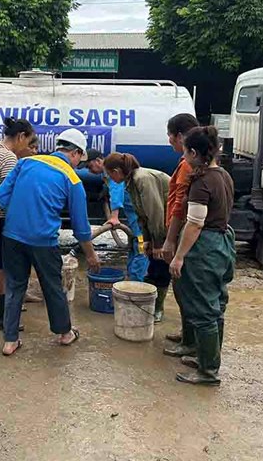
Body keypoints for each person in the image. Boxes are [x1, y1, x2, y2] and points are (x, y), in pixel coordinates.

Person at [0, 129, 101, 356]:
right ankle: (65, 333)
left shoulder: (26, 163)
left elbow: (1, 195)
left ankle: (10, 341)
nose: (79, 165)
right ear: (76, 153)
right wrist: (90, 255)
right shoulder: (72, 179)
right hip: (42, 242)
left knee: (14, 286)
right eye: (81, 159)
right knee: (52, 287)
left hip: (12, 236)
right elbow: (81, 228)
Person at [169, 126, 235, 386]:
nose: (184, 157)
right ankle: (207, 359)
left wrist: (179, 256)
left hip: (205, 247)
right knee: (216, 306)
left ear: (194, 153)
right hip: (222, 243)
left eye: (185, 152)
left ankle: (208, 371)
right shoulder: (223, 176)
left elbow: (195, 223)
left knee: (203, 310)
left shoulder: (202, 182)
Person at [0, 117, 36, 330]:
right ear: (20, 136)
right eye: (28, 141)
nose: (28, 147)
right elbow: (10, 194)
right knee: (2, 268)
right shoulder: (9, 159)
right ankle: (0, 316)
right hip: (0, 219)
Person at [102, 153, 170, 319]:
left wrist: (158, 244)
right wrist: (147, 240)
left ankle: (157, 310)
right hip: (160, 226)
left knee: (160, 267)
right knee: (153, 266)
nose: (109, 178)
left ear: (117, 171)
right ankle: (151, 307)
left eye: (109, 174)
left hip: (171, 225)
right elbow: (142, 215)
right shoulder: (130, 183)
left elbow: (155, 213)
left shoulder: (142, 179)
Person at [155, 113, 201, 355]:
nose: (169, 141)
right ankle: (188, 336)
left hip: (183, 233)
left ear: (181, 137)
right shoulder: (191, 164)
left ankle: (191, 344)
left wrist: (171, 240)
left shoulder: (186, 166)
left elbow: (180, 206)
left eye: (170, 136)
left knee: (186, 290)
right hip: (183, 231)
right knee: (183, 288)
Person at [85, 150, 151, 288]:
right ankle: (132, 281)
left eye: (90, 166)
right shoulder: (108, 175)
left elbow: (117, 191)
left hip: (139, 217)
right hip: (134, 217)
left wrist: (114, 217)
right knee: (135, 246)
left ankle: (137, 286)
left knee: (141, 248)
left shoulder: (112, 173)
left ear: (98, 161)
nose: (89, 171)